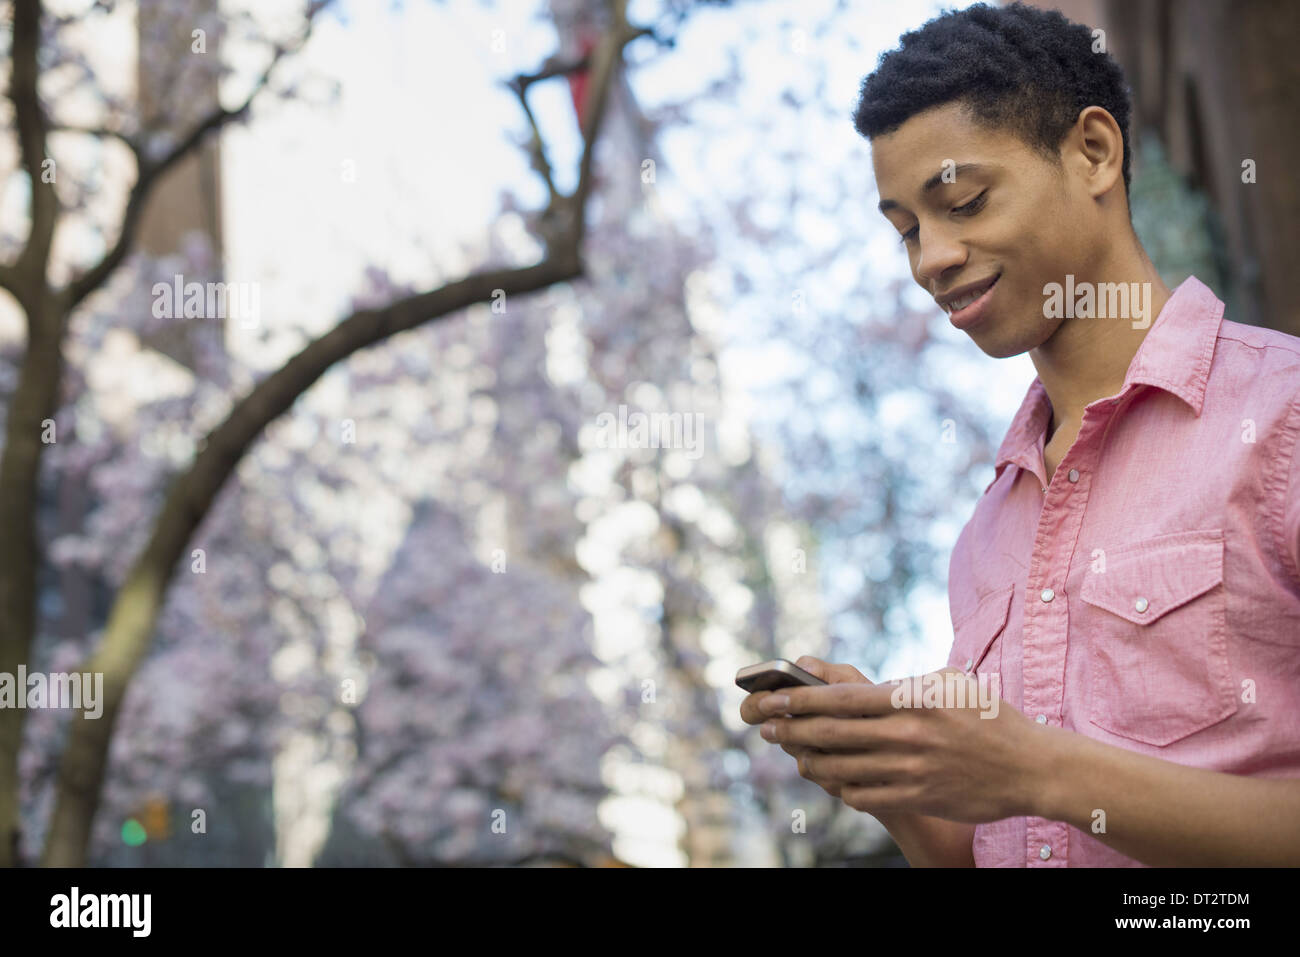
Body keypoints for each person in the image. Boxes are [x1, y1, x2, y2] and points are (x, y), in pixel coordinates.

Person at [740, 1, 1300, 866]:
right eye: (907, 231)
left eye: (961, 200)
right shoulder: (989, 533)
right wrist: (897, 780)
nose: (931, 258)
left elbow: (1039, 783)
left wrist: (1039, 770)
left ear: (1094, 152)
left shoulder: (1283, 417)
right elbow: (998, 843)